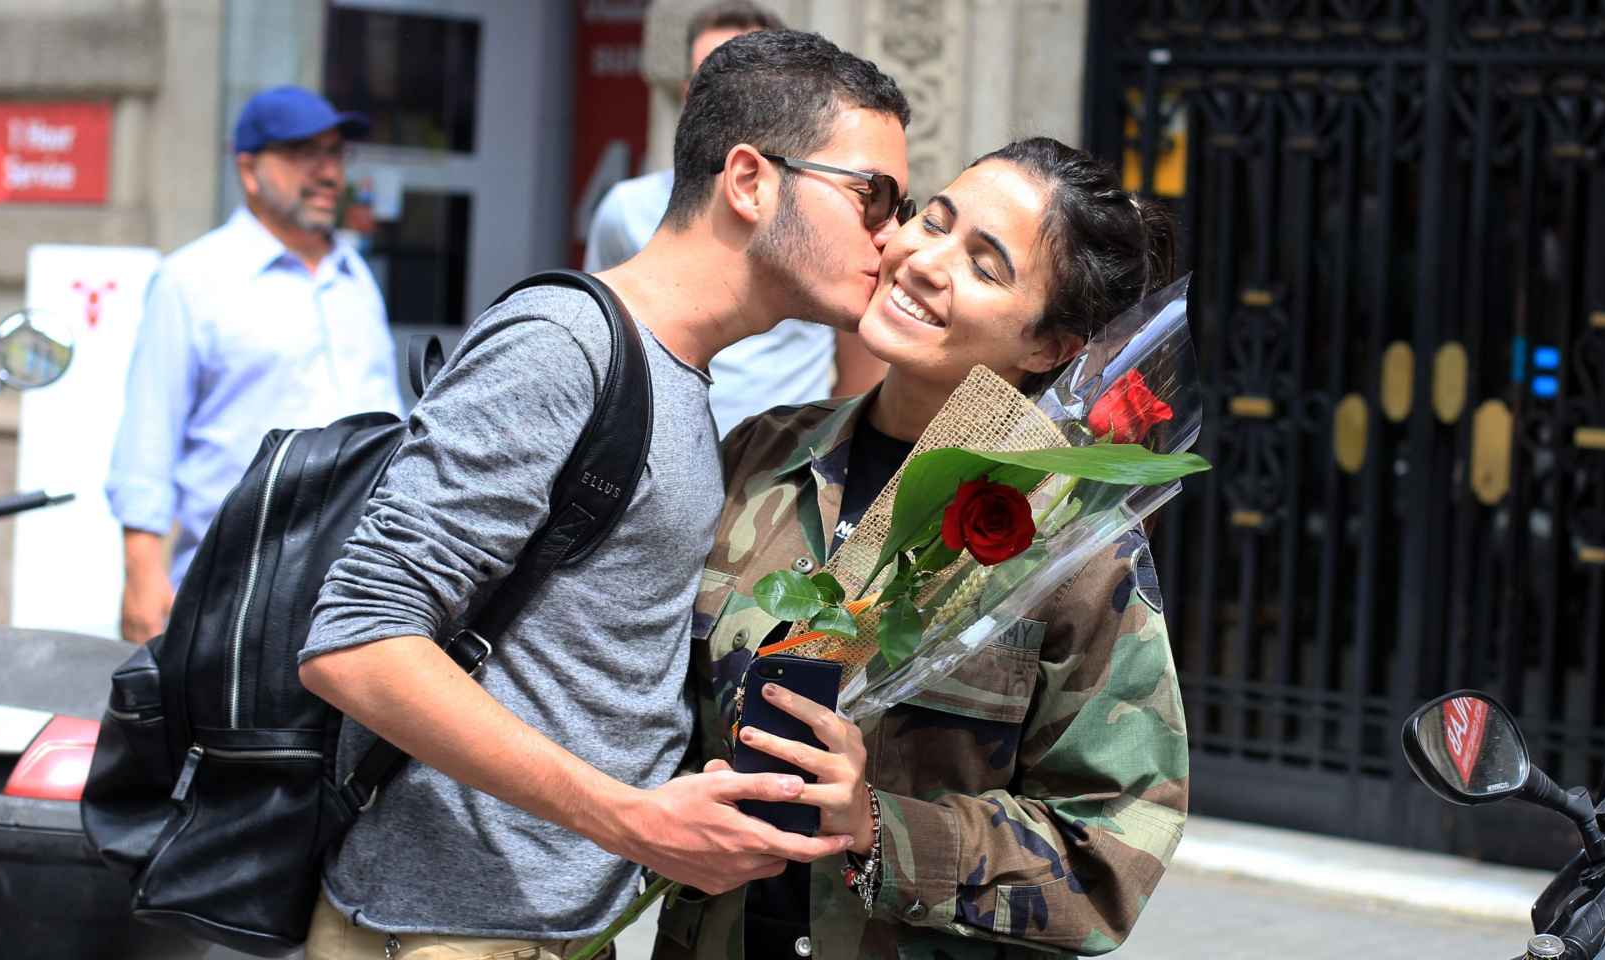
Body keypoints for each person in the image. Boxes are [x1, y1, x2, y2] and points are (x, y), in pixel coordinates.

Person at [296, 31, 912, 960]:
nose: (893, 235)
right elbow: (357, 641)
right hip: (443, 933)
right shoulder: (565, 343)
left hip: (549, 934)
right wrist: (630, 820)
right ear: (750, 181)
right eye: (873, 196)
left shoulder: (682, 382)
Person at [653, 136, 1189, 960]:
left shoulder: (1070, 543)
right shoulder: (761, 456)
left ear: (1047, 348)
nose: (926, 262)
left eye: (985, 266)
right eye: (932, 221)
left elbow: (1112, 850)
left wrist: (879, 825)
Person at [106, 86, 402, 645]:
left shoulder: (355, 277)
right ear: (248, 170)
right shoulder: (192, 280)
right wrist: (142, 573)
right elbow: (149, 435)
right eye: (301, 154)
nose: (326, 172)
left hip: (360, 584)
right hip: (235, 584)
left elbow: (389, 420)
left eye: (335, 153)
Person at [584, 1, 887, 436]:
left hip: (779, 476)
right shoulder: (625, 211)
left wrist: (819, 465)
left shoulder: (822, 220)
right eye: (712, 79)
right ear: (690, 95)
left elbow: (861, 351)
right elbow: (604, 339)